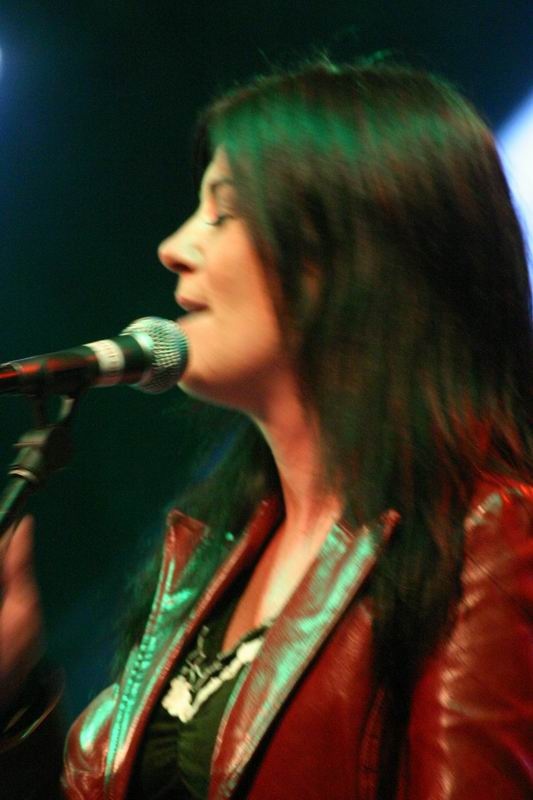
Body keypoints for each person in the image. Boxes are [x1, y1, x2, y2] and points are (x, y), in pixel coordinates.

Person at [1, 55, 532, 799]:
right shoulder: (211, 554)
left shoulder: (487, 539)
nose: (174, 247)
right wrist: (14, 697)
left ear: (352, 256)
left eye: (223, 211)